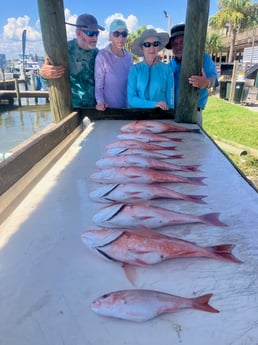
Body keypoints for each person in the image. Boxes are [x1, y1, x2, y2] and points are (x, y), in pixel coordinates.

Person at [40, 13, 104, 108]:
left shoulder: (98, 54)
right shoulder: (63, 51)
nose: (95, 37)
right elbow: (47, 83)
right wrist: (43, 75)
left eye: (97, 33)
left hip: (94, 110)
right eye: (90, 33)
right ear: (78, 33)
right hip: (70, 110)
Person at [166, 23, 218, 126]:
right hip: (171, 113)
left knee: (192, 141)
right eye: (175, 44)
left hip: (193, 113)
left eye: (182, 42)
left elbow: (214, 79)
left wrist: (206, 83)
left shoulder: (203, 58)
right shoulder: (170, 65)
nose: (178, 46)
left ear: (190, 41)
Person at [127, 29, 174, 110]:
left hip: (161, 117)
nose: (152, 47)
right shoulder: (134, 70)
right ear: (142, 48)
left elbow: (171, 100)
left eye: (155, 44)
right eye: (147, 44)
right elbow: (131, 99)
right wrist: (154, 104)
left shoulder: (167, 69)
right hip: (138, 117)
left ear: (159, 46)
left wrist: (170, 115)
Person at [94, 19, 133, 111]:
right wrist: (100, 102)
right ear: (110, 36)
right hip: (109, 111)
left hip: (126, 109)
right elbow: (98, 86)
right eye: (116, 34)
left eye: (124, 34)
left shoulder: (129, 56)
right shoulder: (102, 56)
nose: (121, 38)